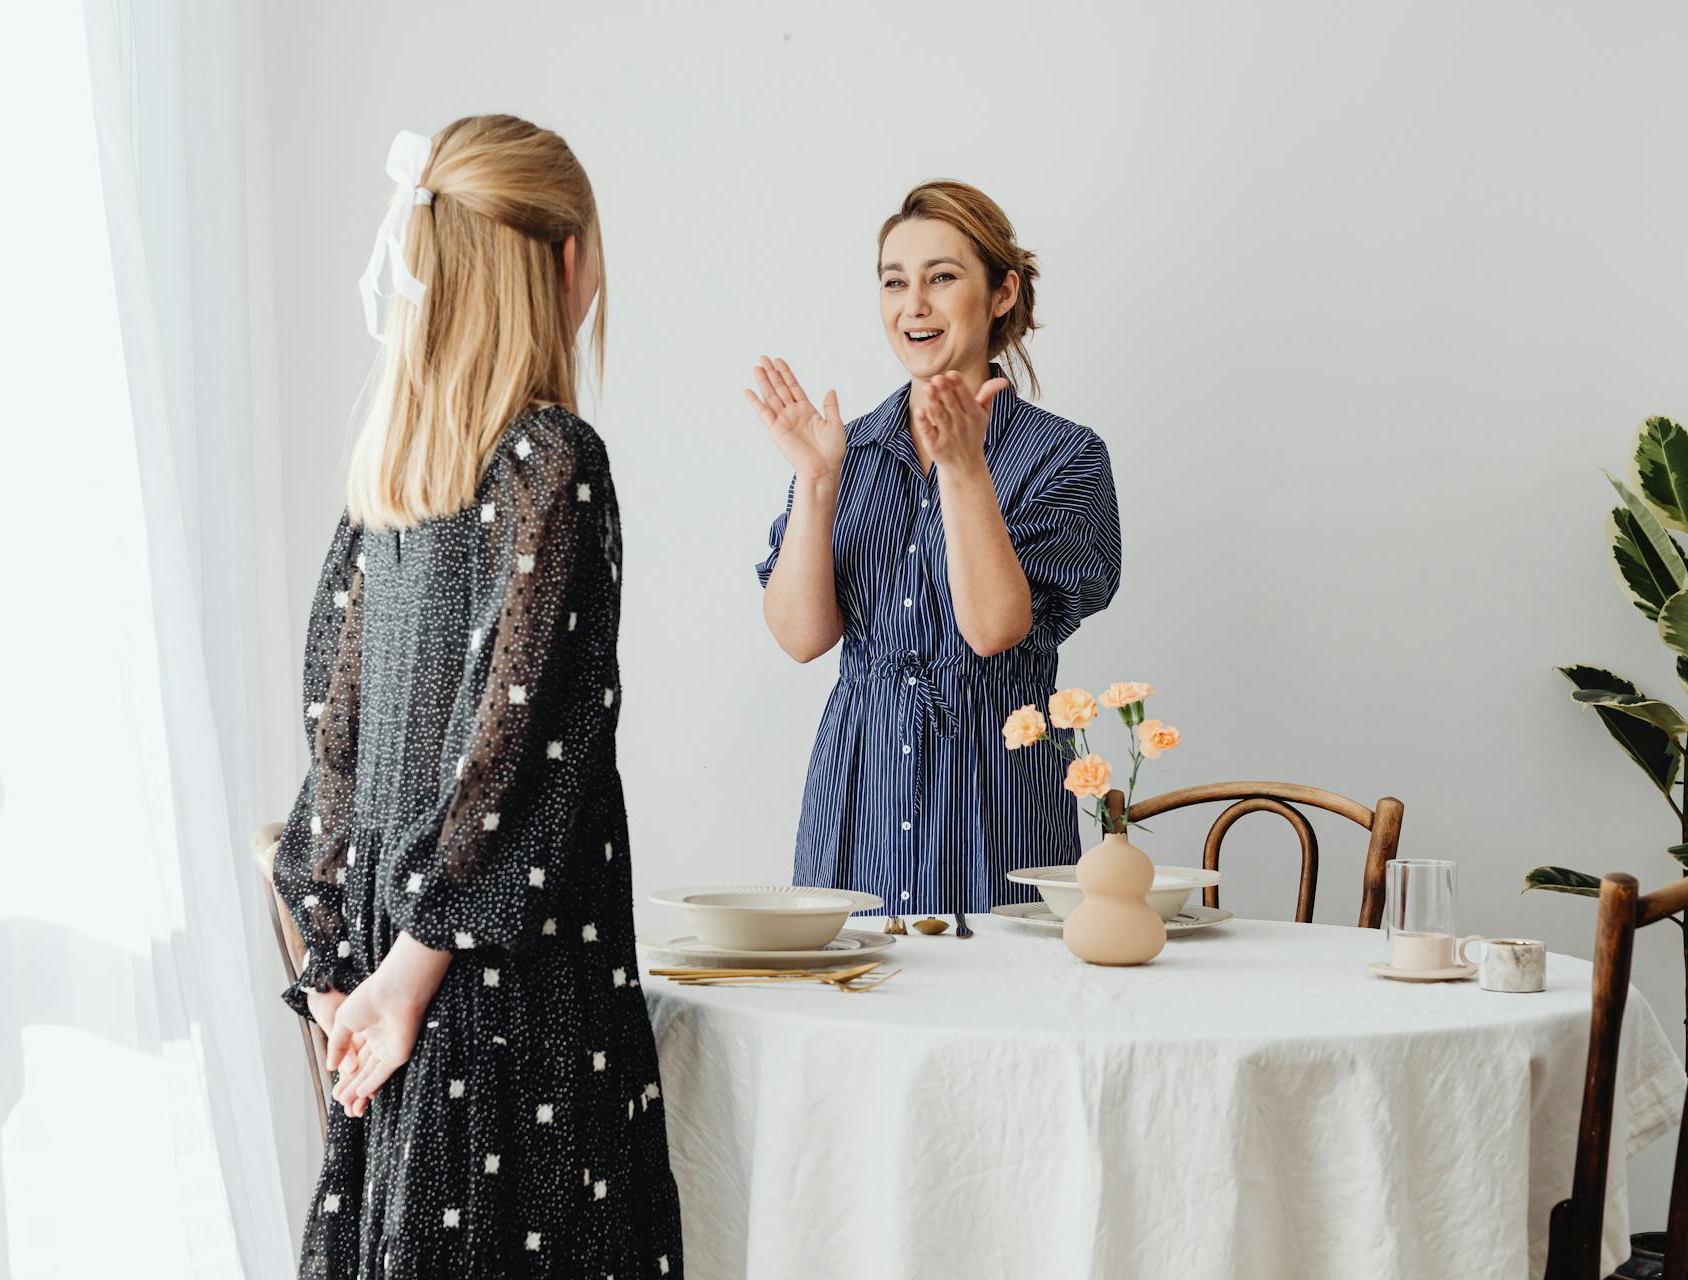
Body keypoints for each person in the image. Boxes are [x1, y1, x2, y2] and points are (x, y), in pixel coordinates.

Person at [273, 115, 683, 1278]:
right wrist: (406, 975)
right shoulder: (553, 461)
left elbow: (334, 753)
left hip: (400, 1007)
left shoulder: (385, 491)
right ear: (560, 263)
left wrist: (347, 970)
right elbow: (525, 746)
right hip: (514, 1019)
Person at [748, 179, 1122, 936]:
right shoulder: (842, 450)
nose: (913, 303)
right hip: (859, 792)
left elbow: (992, 630)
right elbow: (799, 637)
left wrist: (963, 469)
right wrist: (817, 483)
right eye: (894, 281)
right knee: (854, 1019)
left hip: (996, 796)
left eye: (942, 277)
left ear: (1001, 294)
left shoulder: (1066, 458)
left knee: (1004, 1027)